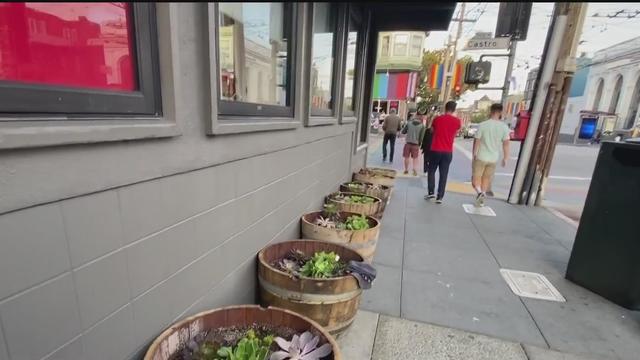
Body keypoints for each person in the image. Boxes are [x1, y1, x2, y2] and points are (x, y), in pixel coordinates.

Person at [472, 103, 511, 207]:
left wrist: (474, 153)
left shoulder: (483, 125)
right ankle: (482, 197)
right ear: (501, 112)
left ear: (491, 111)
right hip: (493, 158)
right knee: (486, 178)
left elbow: (477, 141)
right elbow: (506, 144)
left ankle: (479, 193)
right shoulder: (504, 127)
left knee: (476, 179)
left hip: (481, 156)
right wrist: (506, 158)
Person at [424, 101, 461, 204]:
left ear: (445, 108)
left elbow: (431, 130)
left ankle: (431, 191)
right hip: (448, 151)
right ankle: (440, 197)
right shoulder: (457, 121)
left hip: (436, 149)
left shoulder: (437, 119)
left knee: (431, 171)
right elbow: (457, 130)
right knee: (444, 174)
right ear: (454, 109)